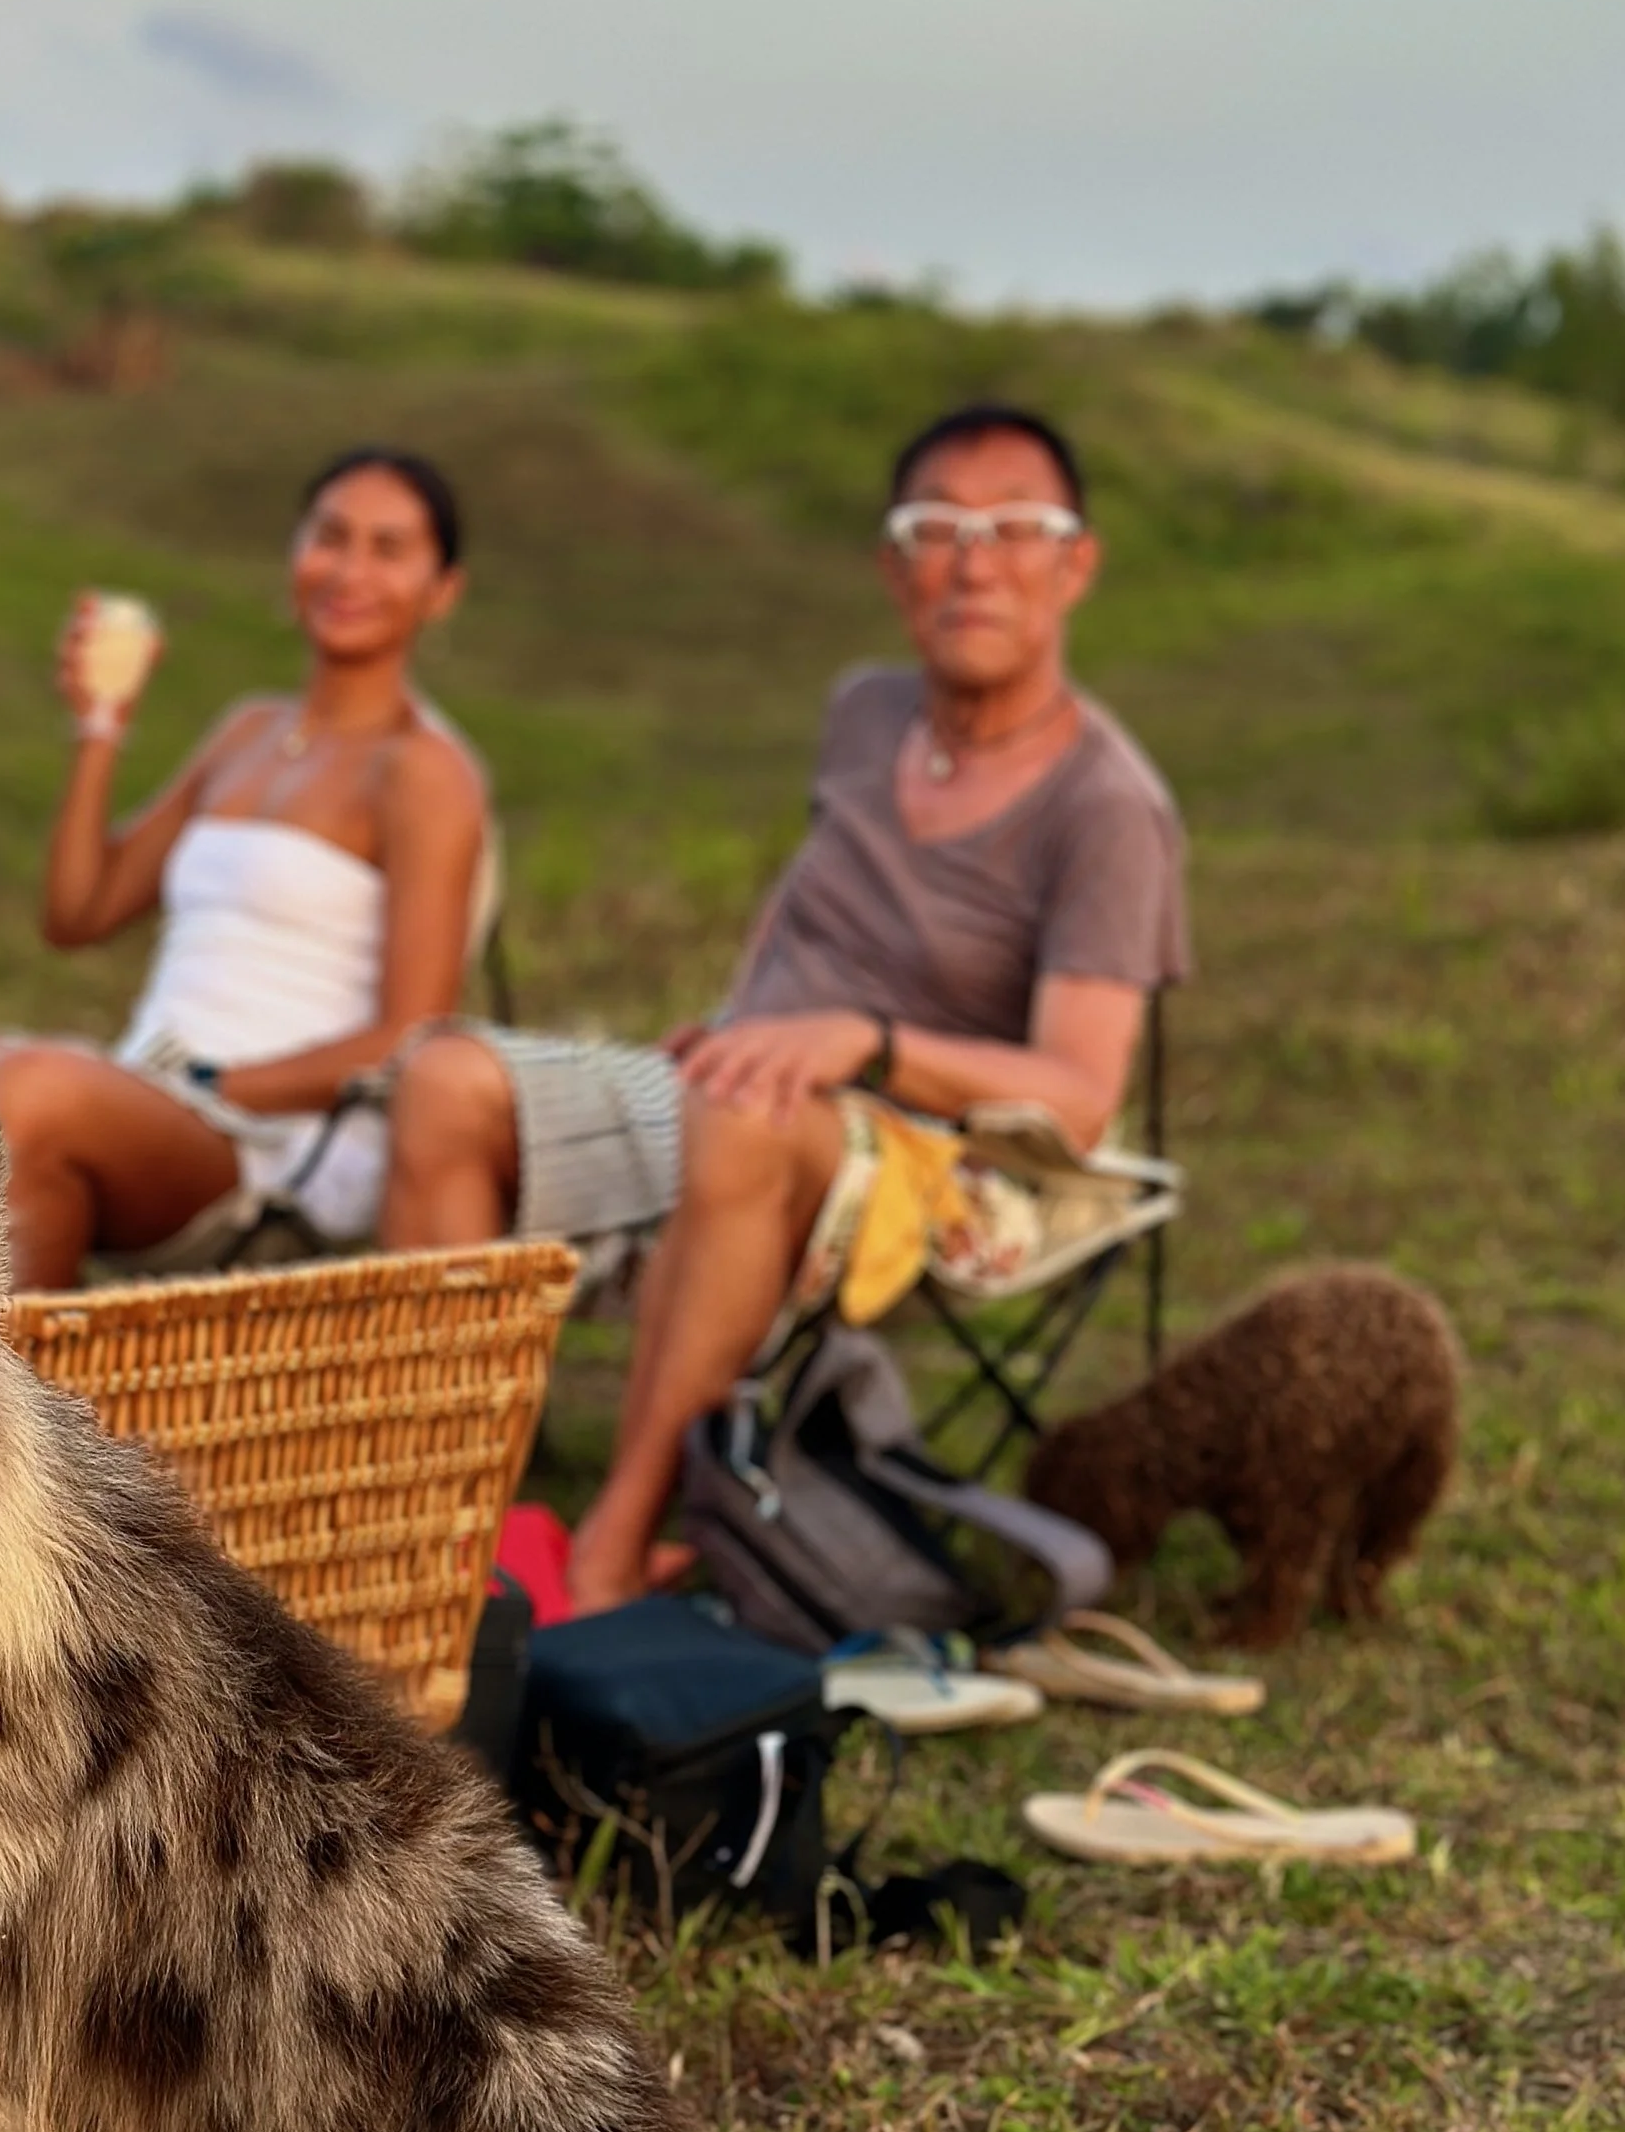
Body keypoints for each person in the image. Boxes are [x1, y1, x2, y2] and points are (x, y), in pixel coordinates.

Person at [380, 402, 1188, 1612]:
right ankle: (441, 1529)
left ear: (1075, 564)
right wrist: (747, 1006)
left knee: (745, 1121)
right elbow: (815, 889)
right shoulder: (864, 712)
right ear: (892, 568)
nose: (972, 559)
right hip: (749, 1077)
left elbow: (1076, 1095)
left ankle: (617, 1547)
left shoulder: (1106, 806)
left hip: (916, 1144)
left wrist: (864, 1042)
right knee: (445, 1078)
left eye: (1015, 527)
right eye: (936, 528)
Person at [0, 448, 489, 1288]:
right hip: (150, 1097)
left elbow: (414, 1033)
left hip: (274, 1141)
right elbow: (78, 914)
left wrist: (215, 1080)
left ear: (443, 590)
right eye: (330, 537)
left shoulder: (423, 771)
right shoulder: (246, 732)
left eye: (389, 549)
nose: (350, 569)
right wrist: (100, 726)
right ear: (296, 552)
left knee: (33, 1086)